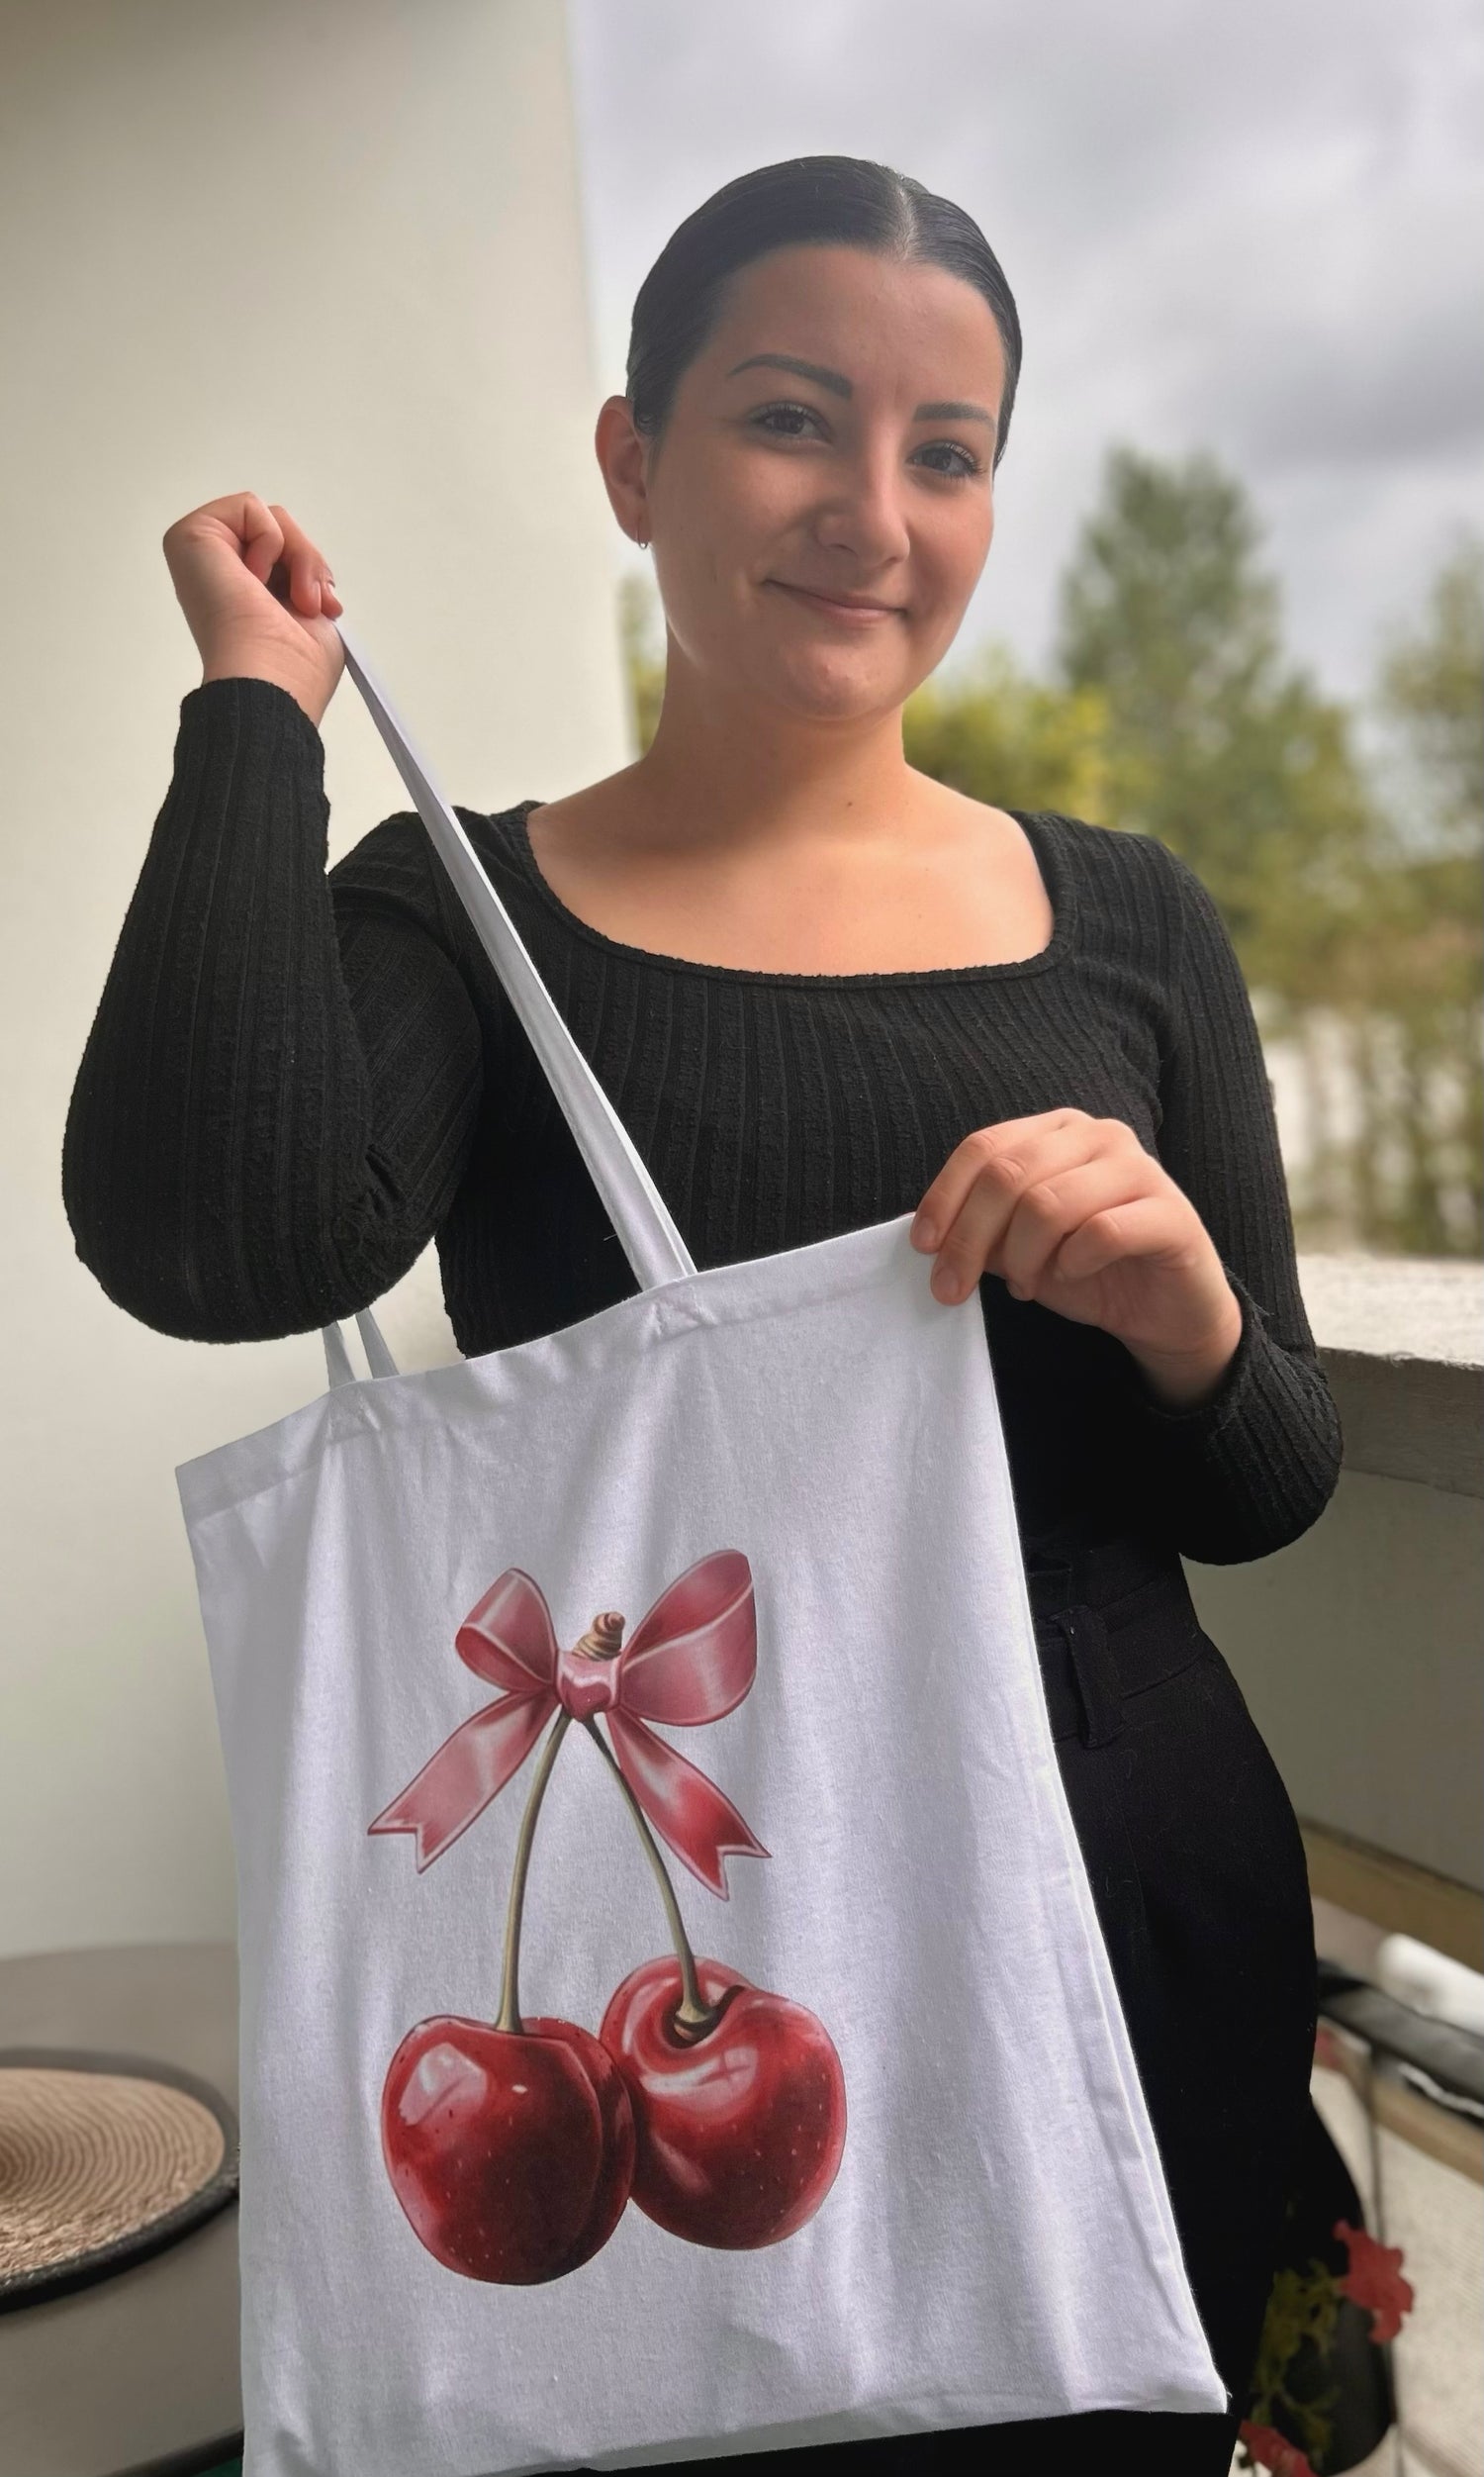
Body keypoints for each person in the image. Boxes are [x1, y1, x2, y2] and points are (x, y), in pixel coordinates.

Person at [62, 155, 1341, 2477]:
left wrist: (1188, 1317)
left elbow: (1269, 1487)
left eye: (947, 451)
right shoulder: (470, 915)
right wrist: (257, 712)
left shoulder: (1129, 923)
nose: (875, 512)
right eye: (789, 420)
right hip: (661, 1950)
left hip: (1128, 1897)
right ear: (634, 460)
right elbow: (209, 1238)